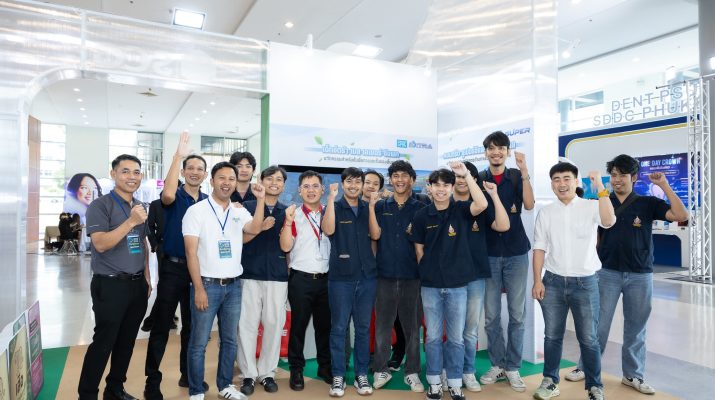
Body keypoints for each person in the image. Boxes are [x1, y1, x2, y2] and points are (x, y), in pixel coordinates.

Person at [565, 154, 688, 395]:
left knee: (636, 328)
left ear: (634, 177)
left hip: (640, 275)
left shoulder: (648, 203)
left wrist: (664, 185)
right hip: (606, 273)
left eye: (622, 175)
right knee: (597, 325)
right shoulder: (602, 201)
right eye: (613, 175)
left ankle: (633, 375)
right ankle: (586, 367)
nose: (617, 180)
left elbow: (681, 215)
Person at [531, 162, 616, 400]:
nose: (562, 184)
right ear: (552, 184)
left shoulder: (591, 206)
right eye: (556, 179)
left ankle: (595, 386)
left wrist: (600, 187)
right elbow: (539, 248)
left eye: (567, 178)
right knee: (552, 336)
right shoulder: (546, 212)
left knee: (588, 338)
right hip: (553, 282)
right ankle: (550, 381)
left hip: (586, 283)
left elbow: (609, 221)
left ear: (576, 181)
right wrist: (537, 281)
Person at [183, 161, 265, 400]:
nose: (226, 183)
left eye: (231, 178)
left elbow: (255, 228)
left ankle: (225, 385)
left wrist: (260, 200)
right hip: (207, 285)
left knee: (230, 341)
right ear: (212, 181)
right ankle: (196, 390)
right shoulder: (196, 211)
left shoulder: (238, 211)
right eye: (222, 178)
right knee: (199, 342)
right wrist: (198, 288)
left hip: (234, 286)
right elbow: (190, 253)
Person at [408, 162, 489, 400]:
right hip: (430, 286)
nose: (441, 189)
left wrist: (466, 175)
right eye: (437, 185)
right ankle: (434, 382)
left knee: (456, 338)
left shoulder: (461, 210)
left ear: (453, 188)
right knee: (432, 337)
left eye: (446, 185)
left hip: (458, 286)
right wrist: (428, 272)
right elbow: (419, 250)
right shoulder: (421, 215)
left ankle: (454, 383)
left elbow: (482, 204)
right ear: (430, 188)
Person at [78, 154, 150, 400]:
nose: (132, 177)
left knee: (127, 342)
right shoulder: (100, 206)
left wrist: (147, 277)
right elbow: (100, 244)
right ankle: (87, 394)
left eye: (136, 172)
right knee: (104, 343)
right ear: (113, 174)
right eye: (125, 171)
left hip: (137, 284)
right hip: (110, 284)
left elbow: (142, 243)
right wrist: (131, 221)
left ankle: (115, 389)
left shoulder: (139, 206)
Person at [144, 132, 209, 400]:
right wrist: (177, 156)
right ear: (183, 172)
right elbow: (168, 193)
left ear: (205, 175)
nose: (194, 172)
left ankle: (188, 374)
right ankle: (152, 381)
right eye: (189, 168)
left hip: (198, 273)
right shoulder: (173, 198)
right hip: (172, 270)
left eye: (199, 169)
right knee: (161, 326)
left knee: (192, 328)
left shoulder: (208, 202)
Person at [477, 131, 534, 392]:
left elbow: (529, 205)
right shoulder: (479, 179)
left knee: (517, 314)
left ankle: (513, 367)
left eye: (501, 148)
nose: (496, 152)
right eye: (491, 148)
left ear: (508, 152)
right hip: (488, 254)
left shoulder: (515, 176)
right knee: (491, 316)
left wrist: (524, 171)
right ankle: (497, 364)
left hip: (516, 253)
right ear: (486, 152)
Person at [451, 161, 510, 393]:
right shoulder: (443, 204)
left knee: (470, 330)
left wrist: (494, 196)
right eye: (457, 176)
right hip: (448, 277)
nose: (461, 180)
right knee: (450, 330)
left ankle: (467, 371)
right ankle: (451, 370)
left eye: (466, 176)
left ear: (473, 179)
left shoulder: (481, 205)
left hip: (474, 276)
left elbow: (503, 226)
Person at [368, 160, 427, 392]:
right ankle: (380, 369)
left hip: (413, 277)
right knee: (383, 327)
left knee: (412, 329)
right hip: (384, 276)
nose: (400, 180)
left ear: (412, 179)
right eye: (395, 176)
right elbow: (374, 237)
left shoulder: (421, 207)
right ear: (390, 180)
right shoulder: (381, 207)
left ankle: (412, 372)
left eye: (404, 176)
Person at [237, 165, 294, 395]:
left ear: (284, 185)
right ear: (260, 181)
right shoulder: (246, 207)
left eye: (279, 180)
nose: (274, 183)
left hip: (277, 276)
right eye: (269, 178)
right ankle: (248, 374)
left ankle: (268, 373)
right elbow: (241, 239)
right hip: (249, 273)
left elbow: (288, 247)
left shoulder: (287, 211)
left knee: (273, 324)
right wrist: (259, 227)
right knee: (247, 325)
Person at [321, 168, 378, 397]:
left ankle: (361, 374)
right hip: (340, 279)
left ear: (363, 185)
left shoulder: (367, 207)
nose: (353, 186)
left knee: (363, 329)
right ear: (342, 183)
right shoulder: (334, 206)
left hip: (367, 278)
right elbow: (328, 230)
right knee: (339, 328)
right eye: (349, 182)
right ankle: (338, 376)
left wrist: (371, 207)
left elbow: (376, 235)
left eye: (358, 182)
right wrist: (330, 199)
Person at [279, 171, 333, 391]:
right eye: (306, 186)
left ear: (322, 189)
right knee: (298, 327)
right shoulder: (294, 214)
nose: (311, 190)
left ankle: (325, 367)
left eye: (315, 186)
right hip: (301, 279)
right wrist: (288, 221)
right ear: (299, 190)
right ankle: (296, 370)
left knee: (325, 327)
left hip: (327, 280)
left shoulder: (330, 212)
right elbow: (285, 246)